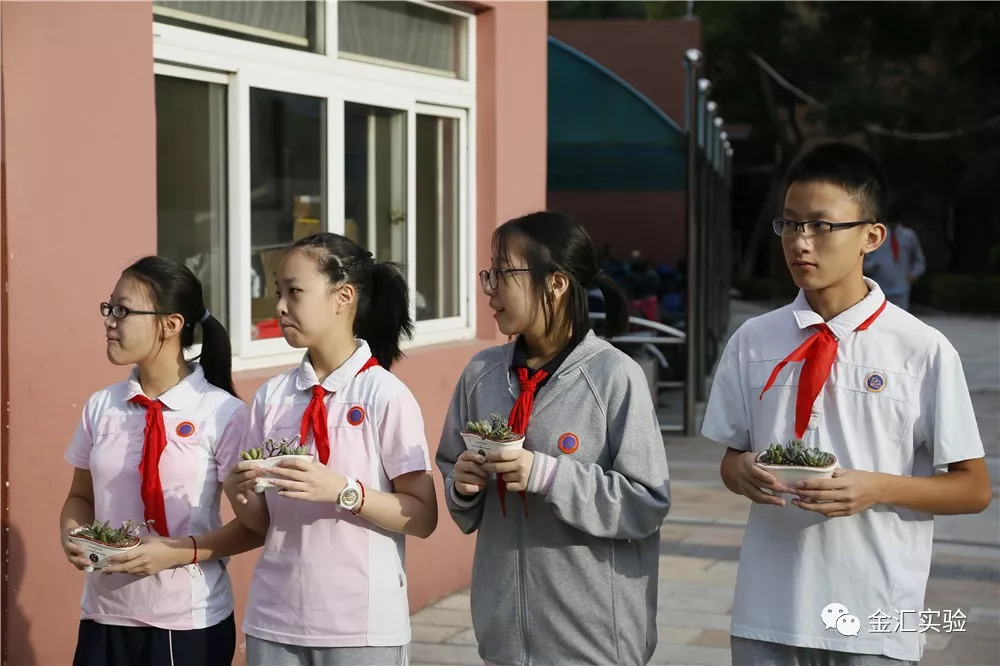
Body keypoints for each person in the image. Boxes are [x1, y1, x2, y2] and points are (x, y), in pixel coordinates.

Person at [702, 143, 991, 666]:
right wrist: (739, 471)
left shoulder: (921, 349)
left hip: (872, 620)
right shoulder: (753, 341)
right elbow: (731, 457)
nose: (801, 242)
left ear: (871, 237)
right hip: (768, 613)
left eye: (820, 226)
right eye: (789, 225)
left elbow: (973, 489)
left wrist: (874, 487)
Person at [436, 212, 671, 665]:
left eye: (503, 273)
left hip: (594, 643)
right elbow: (451, 468)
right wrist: (462, 485)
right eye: (490, 273)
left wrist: (546, 473)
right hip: (504, 638)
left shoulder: (613, 376)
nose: (490, 288)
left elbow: (646, 504)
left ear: (557, 283)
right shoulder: (480, 376)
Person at [225, 232, 437, 666]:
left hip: (360, 626)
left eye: (295, 292)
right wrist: (239, 492)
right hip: (274, 619)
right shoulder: (272, 396)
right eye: (277, 292)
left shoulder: (384, 394)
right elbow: (263, 522)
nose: (280, 307)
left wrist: (344, 490)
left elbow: (423, 516)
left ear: (343, 297)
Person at [60, 256, 261, 666]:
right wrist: (73, 533)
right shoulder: (103, 406)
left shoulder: (221, 412)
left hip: (185, 622)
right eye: (108, 308)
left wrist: (177, 551)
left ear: (171, 324)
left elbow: (257, 527)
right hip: (104, 613)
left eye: (123, 310)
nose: (109, 321)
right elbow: (80, 496)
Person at [863, 203, 925, 311]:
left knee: (901, 320)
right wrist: (872, 266)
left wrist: (914, 274)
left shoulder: (908, 236)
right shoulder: (877, 235)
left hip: (901, 286)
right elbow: (865, 262)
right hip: (880, 286)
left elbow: (919, 261)